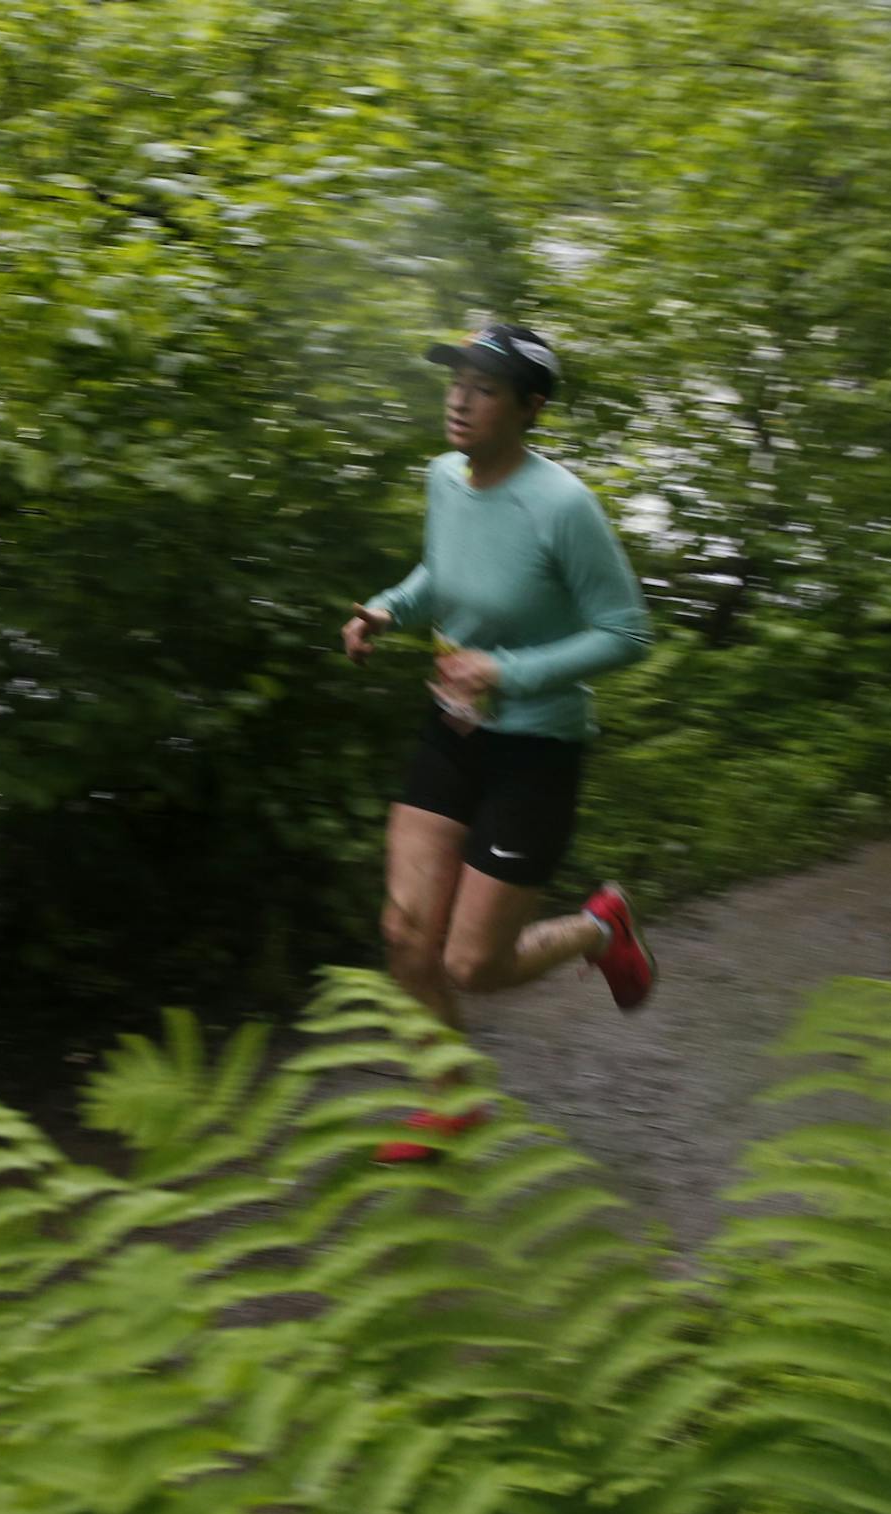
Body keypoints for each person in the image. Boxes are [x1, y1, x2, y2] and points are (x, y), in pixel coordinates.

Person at [341, 323, 656, 1161]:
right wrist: (384, 609)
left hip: (537, 749)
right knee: (408, 933)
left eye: (485, 387)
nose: (460, 397)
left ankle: (601, 928)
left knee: (472, 964)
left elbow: (627, 633)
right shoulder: (445, 476)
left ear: (530, 409)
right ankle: (453, 1102)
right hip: (450, 729)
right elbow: (442, 575)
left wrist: (508, 672)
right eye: (457, 381)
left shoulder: (562, 506)